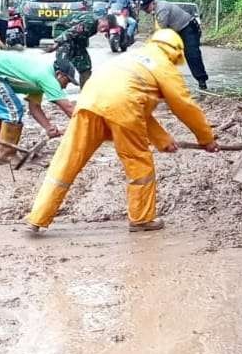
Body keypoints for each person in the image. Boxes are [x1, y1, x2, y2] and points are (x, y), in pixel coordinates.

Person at [25, 29, 219, 234]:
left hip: (89, 100)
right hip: (123, 108)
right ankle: (142, 219)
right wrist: (206, 138)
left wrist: (162, 140)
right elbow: (184, 106)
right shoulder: (164, 66)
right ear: (176, 53)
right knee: (138, 161)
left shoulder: (131, 57)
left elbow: (138, 103)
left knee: (67, 160)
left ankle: (38, 216)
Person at [0, 50, 78, 164]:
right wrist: (86, 125)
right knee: (14, 111)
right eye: (67, 81)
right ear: (59, 74)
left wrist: (48, 127)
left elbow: (34, 108)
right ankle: (6, 156)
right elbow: (68, 107)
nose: (65, 86)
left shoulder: (40, 77)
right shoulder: (47, 77)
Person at [137, 0, 209, 90]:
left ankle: (202, 81)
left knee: (191, 54)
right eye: (143, 9)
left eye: (146, 8)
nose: (145, 11)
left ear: (153, 3)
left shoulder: (162, 9)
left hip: (188, 28)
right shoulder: (155, 9)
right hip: (177, 30)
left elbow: (162, 32)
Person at [47, 10, 100, 87]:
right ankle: (55, 89)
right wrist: (58, 43)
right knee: (63, 62)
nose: (103, 30)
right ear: (103, 21)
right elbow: (70, 32)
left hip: (75, 36)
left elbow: (82, 37)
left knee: (84, 64)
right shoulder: (90, 22)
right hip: (63, 29)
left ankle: (86, 92)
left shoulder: (97, 24)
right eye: (104, 27)